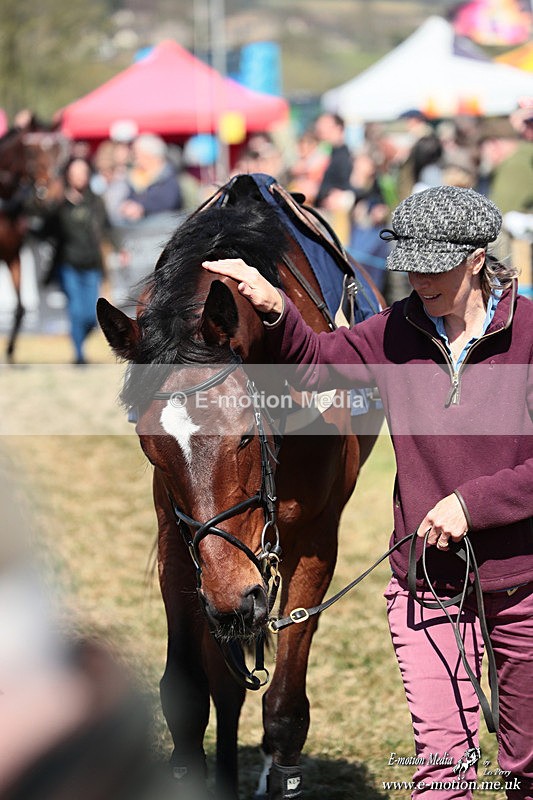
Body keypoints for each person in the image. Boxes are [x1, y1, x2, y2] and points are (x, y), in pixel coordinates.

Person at [202, 185, 533, 800]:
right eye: (410, 265)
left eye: (433, 267)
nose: (418, 280)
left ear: (476, 259)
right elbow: (315, 362)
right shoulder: (397, 329)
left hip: (523, 584)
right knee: (442, 772)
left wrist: (472, 505)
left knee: (526, 769)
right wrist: (274, 307)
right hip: (427, 585)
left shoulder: (532, 334)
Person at [43, 157, 111, 364]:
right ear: (68, 176)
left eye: (83, 173)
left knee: (91, 315)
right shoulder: (59, 203)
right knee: (76, 310)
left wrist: (119, 248)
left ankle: (80, 340)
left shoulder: (96, 201)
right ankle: (79, 355)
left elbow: (107, 227)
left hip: (92, 263)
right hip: (68, 264)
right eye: (75, 173)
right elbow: (45, 226)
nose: (80, 177)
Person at [119, 133, 182, 223]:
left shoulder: (167, 174)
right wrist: (126, 205)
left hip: (162, 226)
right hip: (139, 227)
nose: (134, 157)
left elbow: (168, 202)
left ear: (149, 154)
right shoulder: (135, 175)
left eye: (137, 153)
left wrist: (142, 208)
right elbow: (130, 197)